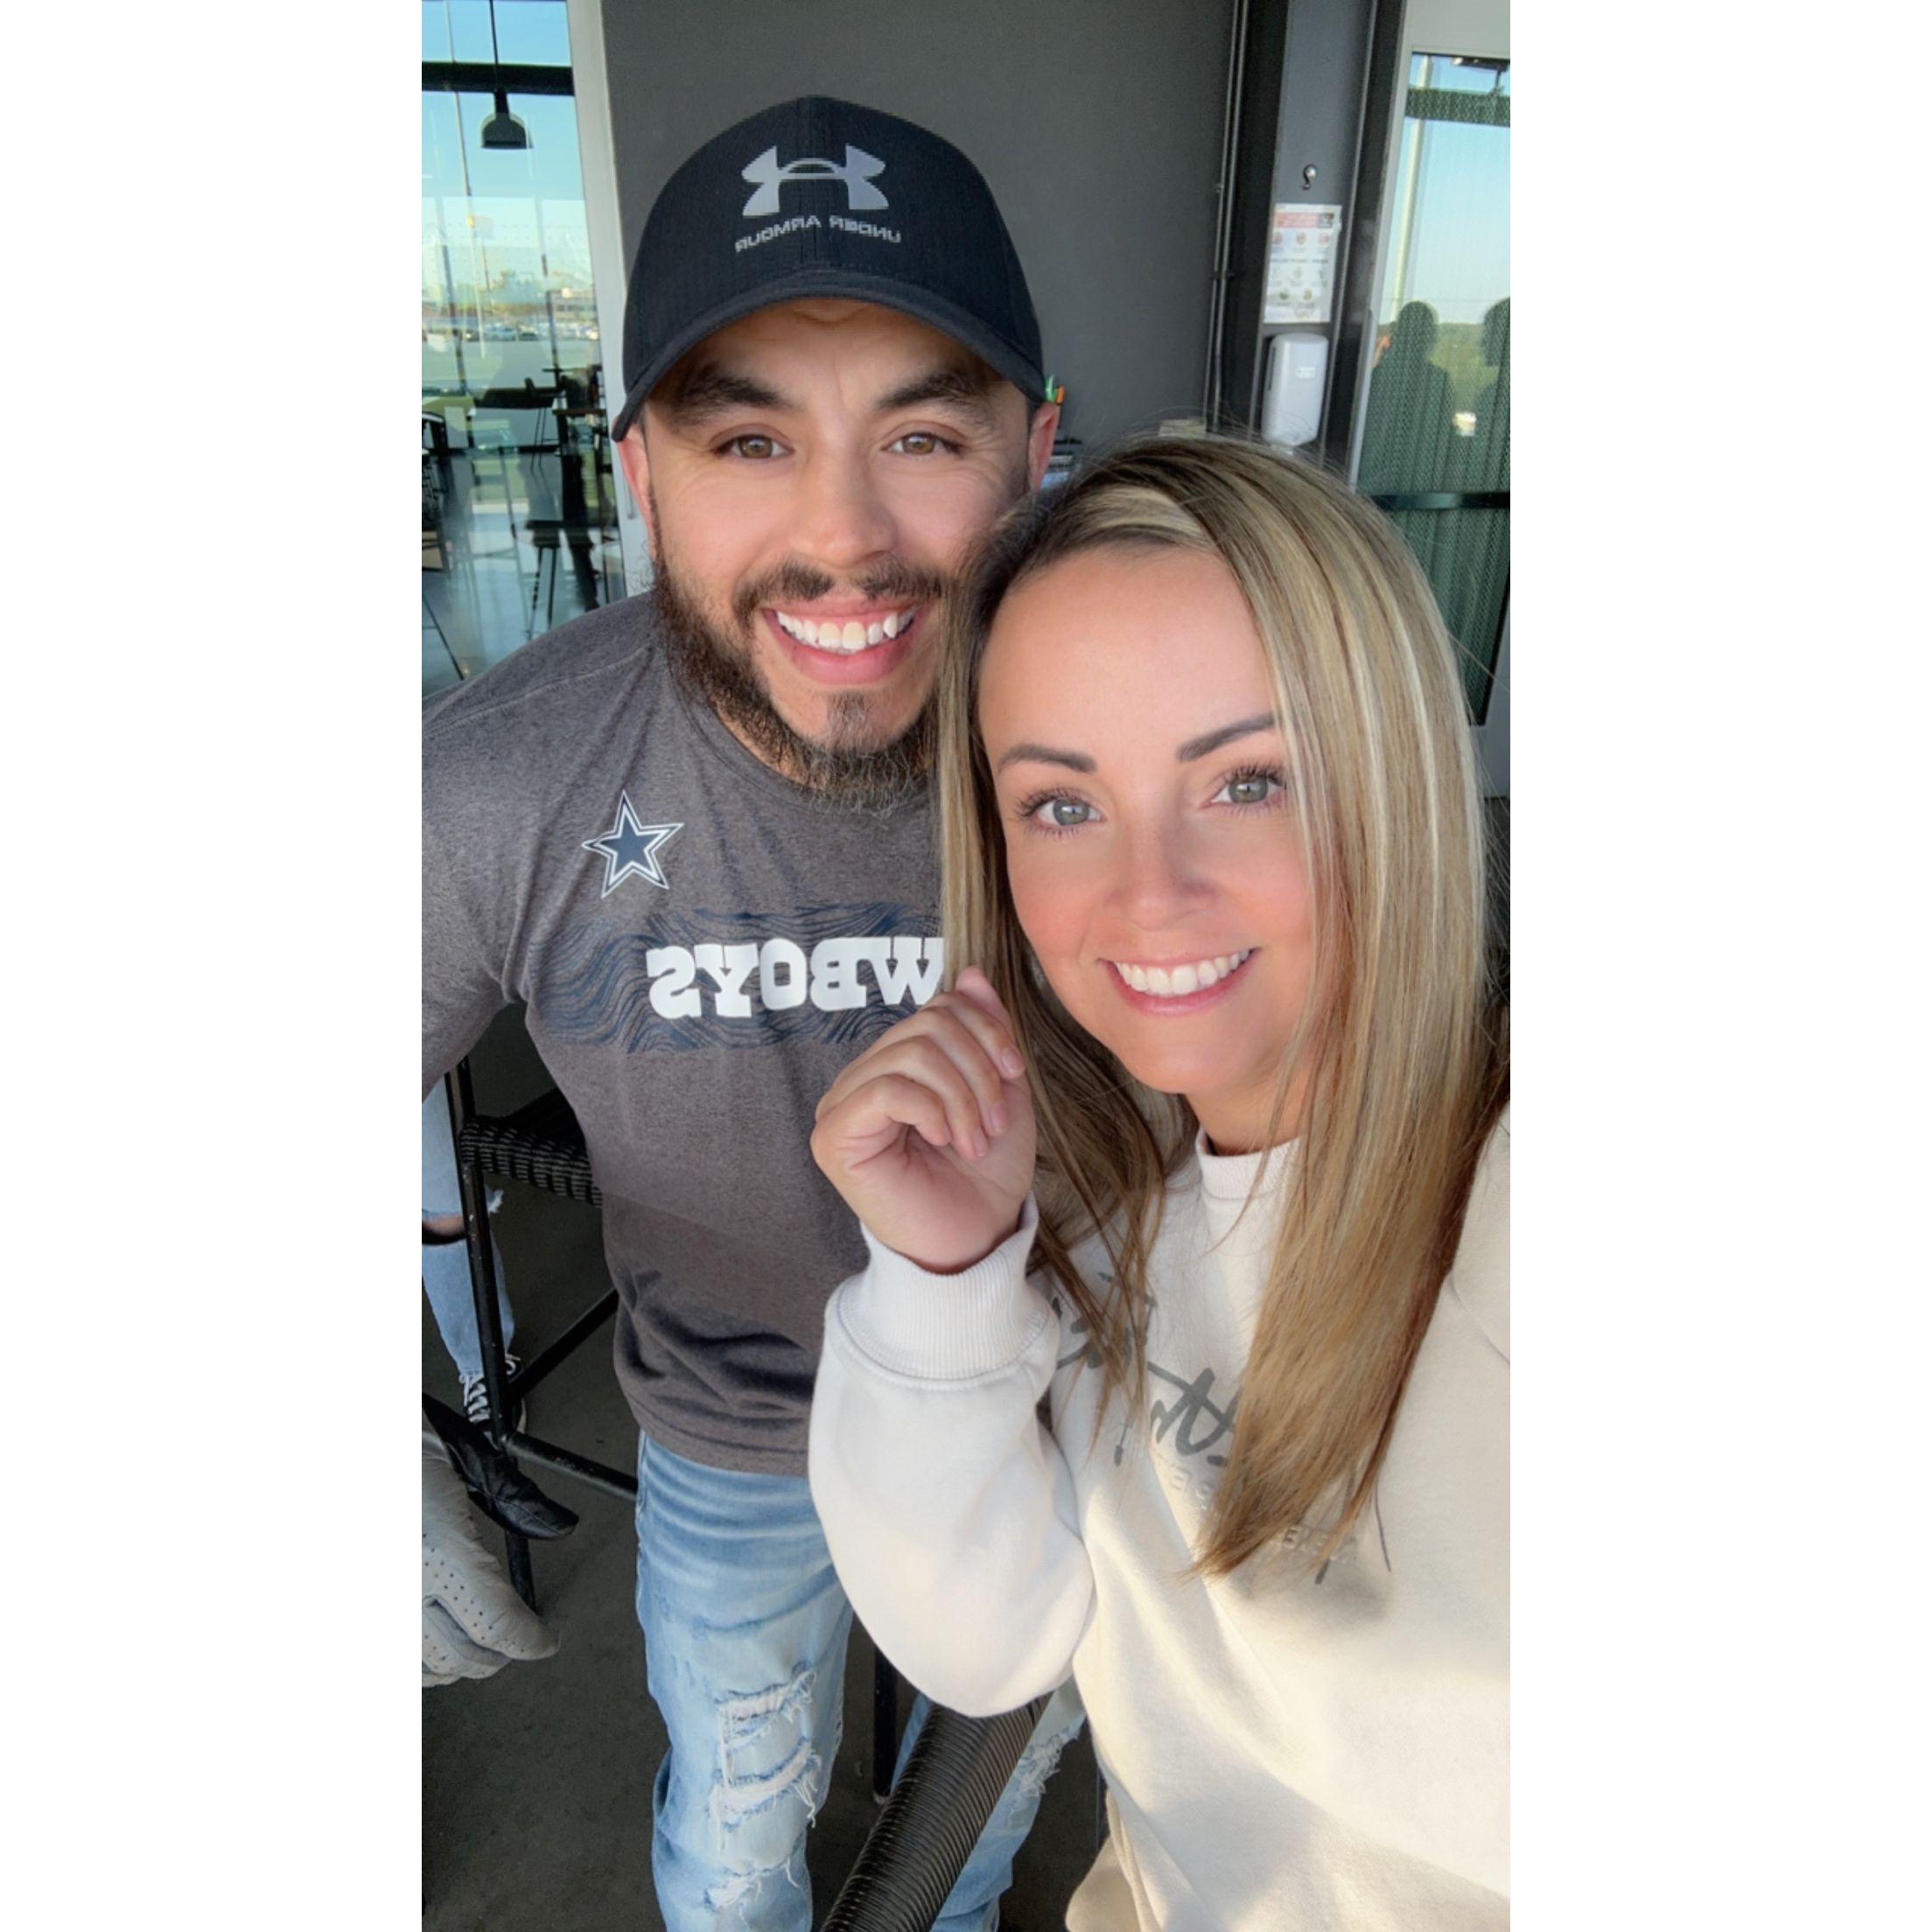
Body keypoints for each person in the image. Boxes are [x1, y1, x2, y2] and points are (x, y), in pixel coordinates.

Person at [424, 96, 1079, 1930]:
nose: (843, 537)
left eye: (923, 436)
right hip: (737, 1430)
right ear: (639, 468)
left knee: (968, 1838)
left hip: (1068, 1409)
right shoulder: (503, 782)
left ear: (1036, 450)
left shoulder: (1139, 710)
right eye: (749, 440)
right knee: (738, 1840)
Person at [809, 436, 1509, 1928]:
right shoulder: (1090, 1196)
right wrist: (940, 1277)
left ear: (1390, 777)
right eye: (1064, 805)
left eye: (1248, 781)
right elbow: (985, 1649)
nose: (1148, 895)